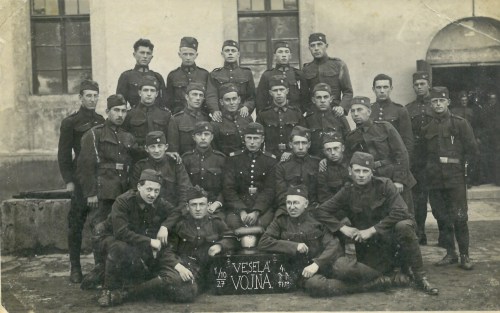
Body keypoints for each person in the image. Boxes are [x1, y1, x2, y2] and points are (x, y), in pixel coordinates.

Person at [314, 152, 439, 295]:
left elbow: (402, 211)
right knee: (359, 273)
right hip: (370, 247)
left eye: (365, 171)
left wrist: (372, 230)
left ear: (372, 172)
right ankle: (393, 278)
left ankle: (420, 277)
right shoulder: (347, 191)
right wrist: (343, 228)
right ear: (350, 172)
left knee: (404, 225)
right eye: (357, 171)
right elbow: (321, 211)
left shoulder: (385, 185)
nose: (361, 175)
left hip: (392, 239)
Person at [77, 94, 136, 289]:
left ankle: (115, 272)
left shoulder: (128, 136)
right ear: (107, 112)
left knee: (120, 231)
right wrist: (91, 193)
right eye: (116, 111)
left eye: (123, 111)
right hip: (102, 193)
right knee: (99, 231)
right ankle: (100, 271)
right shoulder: (94, 134)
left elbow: (136, 156)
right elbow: (85, 166)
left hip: (122, 191)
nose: (120, 115)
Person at [97, 169, 174, 307]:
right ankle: (108, 289)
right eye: (149, 189)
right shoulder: (123, 201)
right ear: (139, 186)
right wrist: (150, 242)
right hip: (109, 238)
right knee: (119, 247)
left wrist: (165, 227)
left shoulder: (158, 202)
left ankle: (108, 276)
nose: (152, 194)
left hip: (134, 241)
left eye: (156, 191)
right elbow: (121, 233)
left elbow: (177, 212)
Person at [422, 87, 478, 270]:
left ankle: (464, 255)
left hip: (455, 178)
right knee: (442, 217)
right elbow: (422, 155)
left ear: (448, 102)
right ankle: (450, 253)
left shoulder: (460, 124)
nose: (438, 104)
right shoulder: (427, 127)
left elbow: (472, 151)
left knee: (460, 217)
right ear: (430, 104)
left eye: (441, 101)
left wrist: (467, 176)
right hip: (435, 180)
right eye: (434, 101)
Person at [57, 80, 105, 283]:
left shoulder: (102, 120)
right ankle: (75, 268)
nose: (92, 99)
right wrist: (68, 180)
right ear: (80, 97)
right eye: (88, 96)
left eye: (95, 96)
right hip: (79, 180)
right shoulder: (71, 122)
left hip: (99, 178)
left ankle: (99, 267)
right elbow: (64, 154)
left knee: (100, 224)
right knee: (76, 223)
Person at [157, 186, 237, 303]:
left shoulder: (216, 222)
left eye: (202, 204)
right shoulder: (180, 224)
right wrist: (179, 267)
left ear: (208, 205)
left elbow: (232, 238)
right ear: (187, 207)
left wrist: (219, 246)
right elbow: (167, 251)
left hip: (200, 272)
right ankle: (131, 292)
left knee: (187, 292)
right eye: (194, 205)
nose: (198, 208)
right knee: (174, 280)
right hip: (180, 266)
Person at [345, 96, 416, 214]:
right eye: (353, 111)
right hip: (374, 181)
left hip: (394, 176)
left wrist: (399, 180)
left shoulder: (385, 127)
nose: (356, 114)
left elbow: (401, 154)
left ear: (369, 111)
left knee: (404, 215)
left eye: (359, 110)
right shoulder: (351, 137)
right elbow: (349, 161)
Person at [223, 122, 278, 229]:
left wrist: (257, 211)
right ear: (244, 139)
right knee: (233, 224)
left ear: (262, 139)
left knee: (264, 224)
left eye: (256, 138)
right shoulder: (233, 159)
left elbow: (270, 190)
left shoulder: (270, 160)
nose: (252, 142)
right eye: (249, 138)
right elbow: (228, 188)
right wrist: (241, 211)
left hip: (263, 207)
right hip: (238, 206)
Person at [130, 131, 192, 215]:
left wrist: (178, 213)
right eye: (152, 147)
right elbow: (135, 192)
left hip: (172, 211)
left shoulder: (175, 163)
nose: (156, 150)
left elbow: (185, 190)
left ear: (166, 147)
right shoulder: (140, 166)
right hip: (147, 214)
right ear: (146, 149)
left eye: (160, 146)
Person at [406, 71, 433, 245]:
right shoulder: (408, 108)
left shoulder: (436, 104)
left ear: (428, 84)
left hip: (434, 157)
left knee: (439, 198)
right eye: (416, 84)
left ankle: (446, 235)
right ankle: (420, 231)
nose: (419, 87)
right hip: (418, 159)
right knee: (419, 197)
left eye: (422, 83)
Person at [122, 76, 172, 163]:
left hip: (160, 160)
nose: (149, 94)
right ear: (139, 92)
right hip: (137, 159)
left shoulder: (165, 115)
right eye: (145, 90)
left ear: (156, 94)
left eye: (152, 91)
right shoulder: (129, 115)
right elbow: (126, 139)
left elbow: (170, 140)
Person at [182, 122, 226, 218]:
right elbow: (183, 186)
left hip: (214, 206)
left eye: (206, 134)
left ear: (212, 137)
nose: (203, 137)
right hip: (193, 206)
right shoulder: (186, 158)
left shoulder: (220, 159)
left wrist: (217, 203)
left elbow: (227, 186)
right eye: (199, 134)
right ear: (193, 137)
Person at [302, 33, 353, 114]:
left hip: (335, 111)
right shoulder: (306, 69)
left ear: (326, 46)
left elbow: (348, 91)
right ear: (309, 48)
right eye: (313, 46)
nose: (316, 48)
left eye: (319, 44)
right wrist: (308, 110)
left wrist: (342, 107)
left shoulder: (338, 65)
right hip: (314, 114)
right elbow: (304, 96)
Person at [275, 126, 320, 217]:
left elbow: (321, 190)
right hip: (289, 208)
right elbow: (281, 194)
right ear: (290, 145)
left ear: (309, 144)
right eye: (296, 143)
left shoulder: (317, 163)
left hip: (312, 207)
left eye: (304, 143)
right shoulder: (282, 166)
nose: (300, 147)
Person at [206, 40, 255, 123]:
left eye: (233, 51)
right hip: (221, 117)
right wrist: (215, 110)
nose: (230, 53)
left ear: (238, 54)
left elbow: (252, 97)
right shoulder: (215, 74)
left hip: (242, 116)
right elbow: (211, 96)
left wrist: (247, 107)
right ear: (222, 54)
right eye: (227, 51)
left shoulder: (246, 73)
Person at [256, 78, 305, 159]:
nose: (279, 93)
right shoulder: (263, 114)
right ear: (270, 93)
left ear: (287, 91)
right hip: (270, 157)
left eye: (281, 89)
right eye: (275, 90)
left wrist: (291, 152)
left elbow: (303, 137)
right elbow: (258, 139)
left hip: (293, 156)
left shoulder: (296, 113)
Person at [256, 41, 307, 113]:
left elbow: (305, 99)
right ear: (274, 55)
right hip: (273, 116)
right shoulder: (267, 75)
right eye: (280, 52)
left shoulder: (298, 74)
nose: (284, 55)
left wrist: (299, 114)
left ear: (290, 55)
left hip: (295, 116)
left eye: (286, 52)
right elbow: (260, 101)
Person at [369, 74, 414, 156]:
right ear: (373, 89)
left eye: (385, 87)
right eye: (378, 87)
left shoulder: (400, 110)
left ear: (391, 88)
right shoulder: (368, 110)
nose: (382, 91)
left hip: (393, 158)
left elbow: (407, 140)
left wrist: (405, 163)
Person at [116, 38, 167, 109]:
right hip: (134, 117)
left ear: (151, 57)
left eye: (148, 53)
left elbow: (163, 103)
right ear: (134, 54)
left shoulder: (157, 77)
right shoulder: (126, 76)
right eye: (142, 53)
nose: (145, 56)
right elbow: (120, 103)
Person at [305, 83, 351, 157]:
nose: (322, 100)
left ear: (331, 99)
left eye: (325, 97)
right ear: (313, 100)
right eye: (319, 97)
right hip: (315, 161)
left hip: (335, 160)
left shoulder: (338, 116)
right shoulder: (308, 119)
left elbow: (348, 141)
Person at [165, 37, 209, 114]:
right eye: (185, 54)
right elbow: (169, 101)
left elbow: (208, 98)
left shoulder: (204, 74)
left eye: (191, 54)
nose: (188, 57)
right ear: (179, 54)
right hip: (179, 117)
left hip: (201, 116)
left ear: (196, 55)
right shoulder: (173, 75)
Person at [167, 82, 210, 155]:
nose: (198, 98)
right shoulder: (176, 119)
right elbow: (173, 149)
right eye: (194, 94)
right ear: (187, 97)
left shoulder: (207, 118)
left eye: (201, 95)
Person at [211, 83, 253, 156]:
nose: (232, 103)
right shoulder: (216, 123)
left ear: (239, 99)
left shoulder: (246, 117)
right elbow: (216, 150)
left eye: (234, 99)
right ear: (221, 102)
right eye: (227, 100)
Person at [317, 133, 350, 203]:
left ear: (343, 148)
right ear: (324, 152)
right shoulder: (324, 169)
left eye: (336, 148)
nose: (333, 153)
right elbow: (324, 197)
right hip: (335, 208)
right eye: (328, 149)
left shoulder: (352, 164)